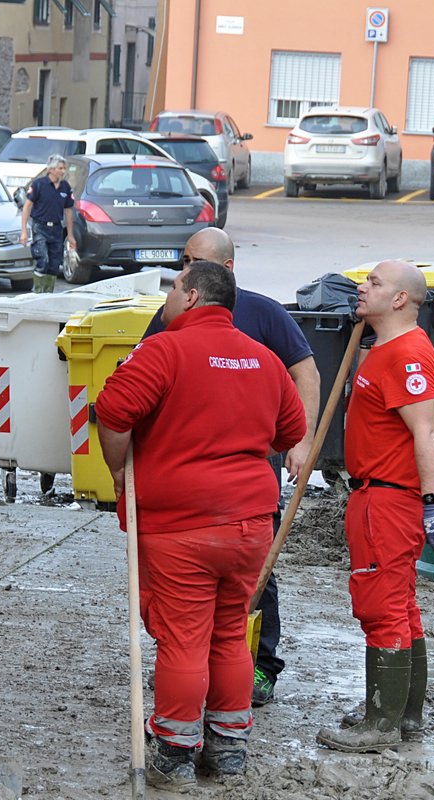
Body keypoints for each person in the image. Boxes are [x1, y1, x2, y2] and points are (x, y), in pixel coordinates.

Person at [96, 260, 305, 789]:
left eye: (172, 290)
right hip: (249, 522)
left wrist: (119, 473)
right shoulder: (264, 359)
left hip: (181, 524)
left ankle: (175, 749)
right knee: (230, 631)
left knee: (184, 637)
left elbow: (114, 414)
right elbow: (289, 433)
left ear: (191, 297)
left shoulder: (163, 350)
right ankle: (229, 746)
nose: (166, 301)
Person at [142, 228, 320, 709]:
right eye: (183, 260)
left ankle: (261, 665)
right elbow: (137, 386)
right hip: (188, 481)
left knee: (257, 576)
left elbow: (306, 371)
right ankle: (195, 672)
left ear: (227, 268)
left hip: (248, 479)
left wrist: (301, 443)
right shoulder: (170, 315)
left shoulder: (262, 313)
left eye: (195, 261)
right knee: (190, 594)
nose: (183, 271)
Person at [316, 261, 434, 754]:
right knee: (401, 605)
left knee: (382, 607)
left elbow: (427, 432)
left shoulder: (407, 355)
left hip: (388, 499)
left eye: (374, 283)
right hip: (381, 495)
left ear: (400, 299)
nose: (362, 287)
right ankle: (403, 716)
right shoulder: (386, 348)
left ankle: (381, 724)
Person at [17, 155, 76, 293]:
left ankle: (48, 293)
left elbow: (68, 211)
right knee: (42, 260)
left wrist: (71, 235)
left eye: (64, 168)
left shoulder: (65, 187)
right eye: (60, 168)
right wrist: (24, 231)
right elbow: (27, 206)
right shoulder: (39, 184)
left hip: (56, 229)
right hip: (40, 227)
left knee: (55, 264)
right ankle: (37, 292)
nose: (63, 171)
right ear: (51, 169)